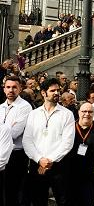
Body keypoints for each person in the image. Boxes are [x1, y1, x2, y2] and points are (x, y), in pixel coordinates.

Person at [22, 77, 75, 206]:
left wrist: (49, 160)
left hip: (59, 165)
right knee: (38, 200)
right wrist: (39, 159)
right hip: (37, 165)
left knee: (63, 200)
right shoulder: (34, 114)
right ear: (44, 93)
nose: (57, 93)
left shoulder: (67, 114)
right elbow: (27, 140)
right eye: (52, 90)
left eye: (58, 90)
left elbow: (67, 142)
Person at [66, 102, 94, 206]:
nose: (87, 114)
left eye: (90, 112)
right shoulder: (69, 128)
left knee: (87, 201)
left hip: (89, 174)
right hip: (70, 172)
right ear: (78, 112)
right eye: (84, 111)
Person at [1, 76, 32, 206]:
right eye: (8, 87)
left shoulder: (25, 107)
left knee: (13, 193)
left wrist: (5, 129)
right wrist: (8, 127)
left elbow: (14, 133)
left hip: (16, 156)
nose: (11, 90)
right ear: (4, 89)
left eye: (14, 87)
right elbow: (8, 131)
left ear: (20, 89)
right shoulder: (1, 107)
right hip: (1, 154)